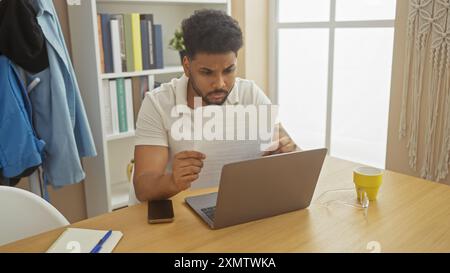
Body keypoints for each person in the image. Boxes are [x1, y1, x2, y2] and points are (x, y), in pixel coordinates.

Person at [133, 9, 297, 202]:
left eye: (229, 70)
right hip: (179, 212)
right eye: (207, 72)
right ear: (187, 66)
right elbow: (143, 187)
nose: (220, 83)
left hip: (233, 203)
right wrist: (173, 181)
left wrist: (288, 152)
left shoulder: (249, 93)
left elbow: (291, 154)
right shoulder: (157, 103)